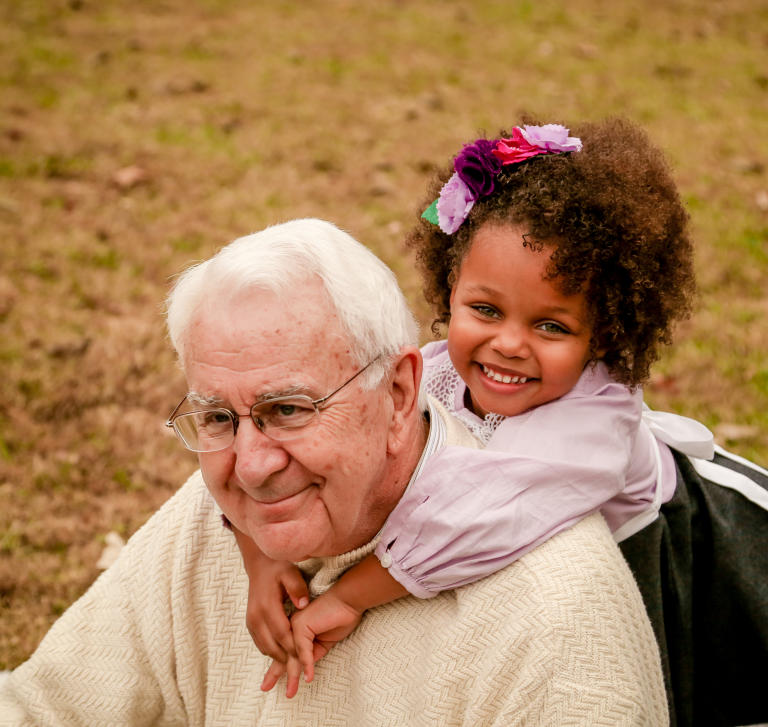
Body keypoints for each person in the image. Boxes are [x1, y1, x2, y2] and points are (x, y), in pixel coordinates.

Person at [239, 121, 768, 727]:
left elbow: (477, 513)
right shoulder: (437, 371)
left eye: (551, 325)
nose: (508, 343)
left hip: (683, 559)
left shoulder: (592, 427)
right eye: (484, 310)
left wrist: (346, 596)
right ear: (448, 288)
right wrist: (263, 552)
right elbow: (314, 434)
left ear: (605, 333)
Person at [0, 218, 669, 726]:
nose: (253, 467)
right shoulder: (221, 505)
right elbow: (43, 706)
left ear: (400, 395)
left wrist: (349, 594)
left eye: (288, 409)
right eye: (216, 417)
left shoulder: (553, 631)